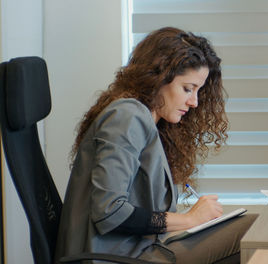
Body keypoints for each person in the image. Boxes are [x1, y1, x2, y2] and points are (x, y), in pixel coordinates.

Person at [55, 27, 256, 263]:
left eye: (198, 91)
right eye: (187, 89)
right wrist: (190, 220)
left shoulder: (149, 120)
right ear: (158, 77)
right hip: (114, 258)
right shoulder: (127, 117)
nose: (194, 102)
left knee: (250, 227)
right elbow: (110, 212)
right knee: (251, 231)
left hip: (135, 250)